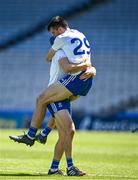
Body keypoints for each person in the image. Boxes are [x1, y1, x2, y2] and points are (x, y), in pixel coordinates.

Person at [9, 34, 96, 176]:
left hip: (62, 94)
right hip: (56, 95)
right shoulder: (61, 53)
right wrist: (88, 66)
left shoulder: (65, 53)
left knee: (65, 134)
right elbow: (68, 68)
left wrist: (91, 69)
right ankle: (70, 167)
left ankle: (54, 169)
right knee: (69, 130)